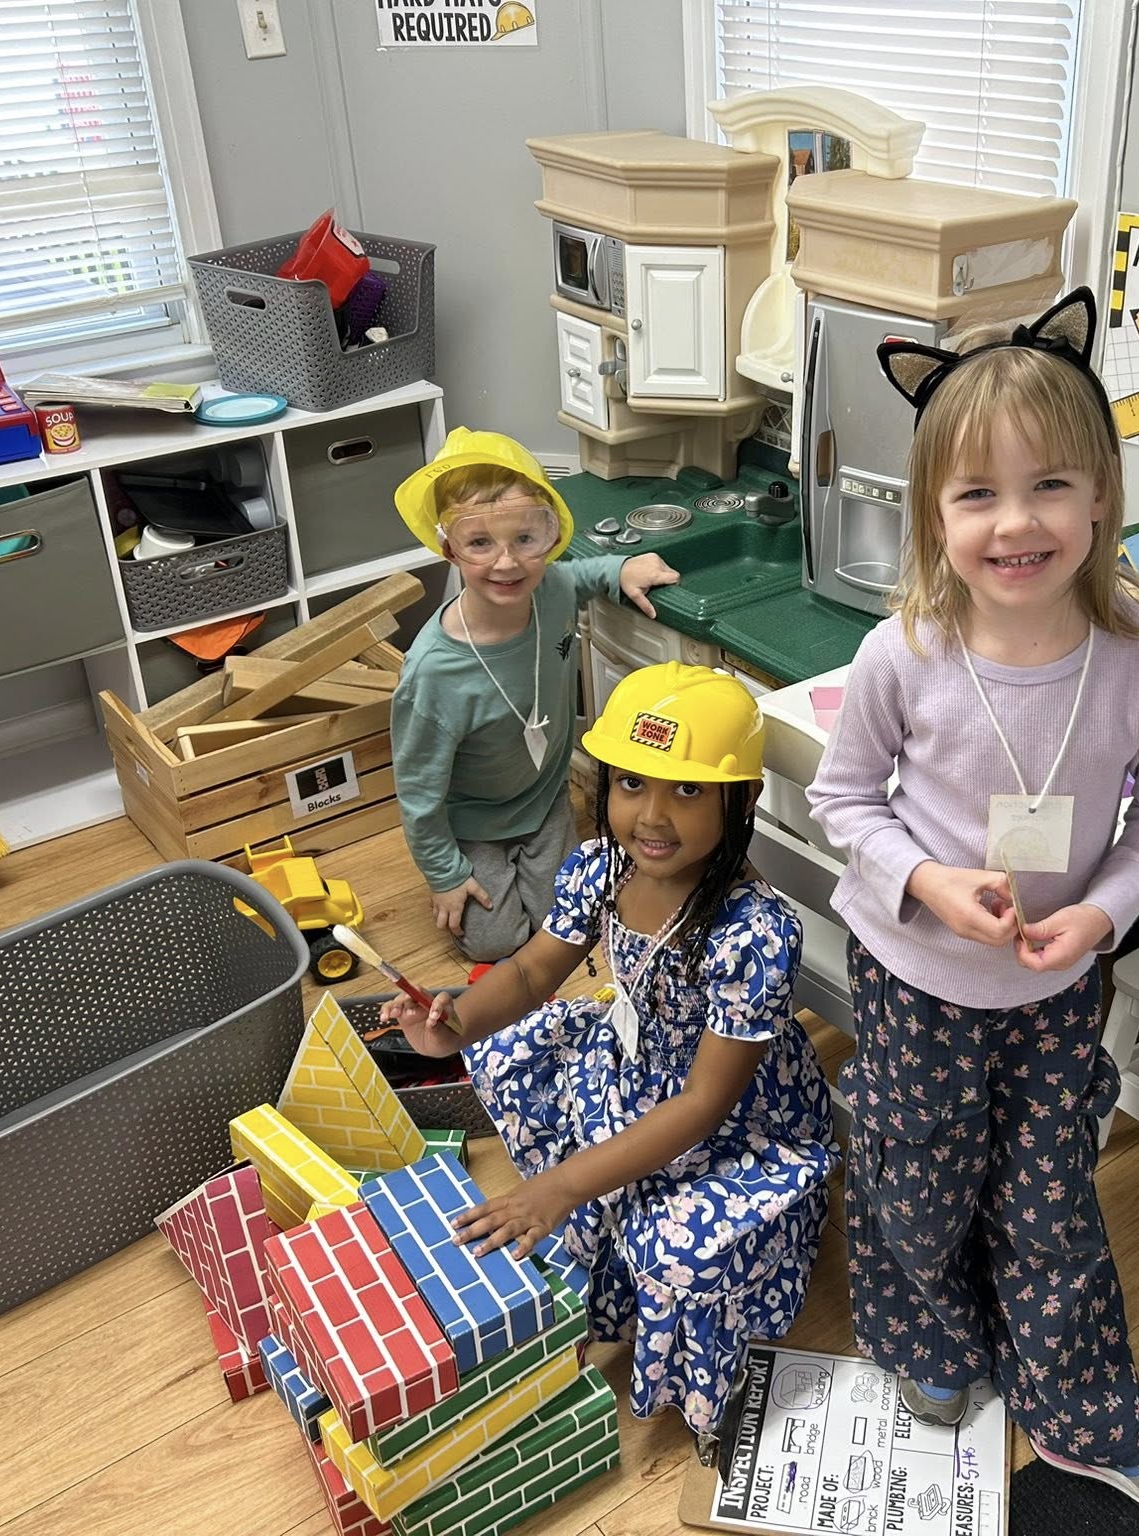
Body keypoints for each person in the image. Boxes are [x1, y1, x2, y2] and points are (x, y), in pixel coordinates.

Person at [805, 289, 1139, 1522]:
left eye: (1048, 486)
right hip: (917, 976)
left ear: (1101, 496)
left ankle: (1084, 1414)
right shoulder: (905, 652)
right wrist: (926, 880)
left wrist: (1101, 913)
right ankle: (924, 1342)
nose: (1015, 522)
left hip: (1057, 984)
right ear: (934, 515)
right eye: (975, 495)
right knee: (912, 1176)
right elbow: (842, 799)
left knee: (1049, 1201)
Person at [385, 663, 834, 1462]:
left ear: (742, 801)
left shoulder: (752, 931)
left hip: (735, 1120)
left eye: (688, 791)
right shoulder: (600, 868)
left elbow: (702, 1107)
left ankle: (706, 1367)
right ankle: (605, 1242)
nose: (652, 816)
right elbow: (528, 974)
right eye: (632, 783)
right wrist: (452, 1024)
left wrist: (558, 1186)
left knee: (677, 1248)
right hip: (632, 1068)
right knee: (510, 1051)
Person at [390, 429, 679, 961]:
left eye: (526, 538)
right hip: (472, 821)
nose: (507, 563)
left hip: (546, 802)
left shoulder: (549, 590)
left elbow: (579, 576)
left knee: (571, 921)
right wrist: (444, 875)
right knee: (493, 945)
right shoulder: (432, 675)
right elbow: (418, 793)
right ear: (447, 547)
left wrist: (620, 569)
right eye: (479, 543)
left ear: (549, 534)